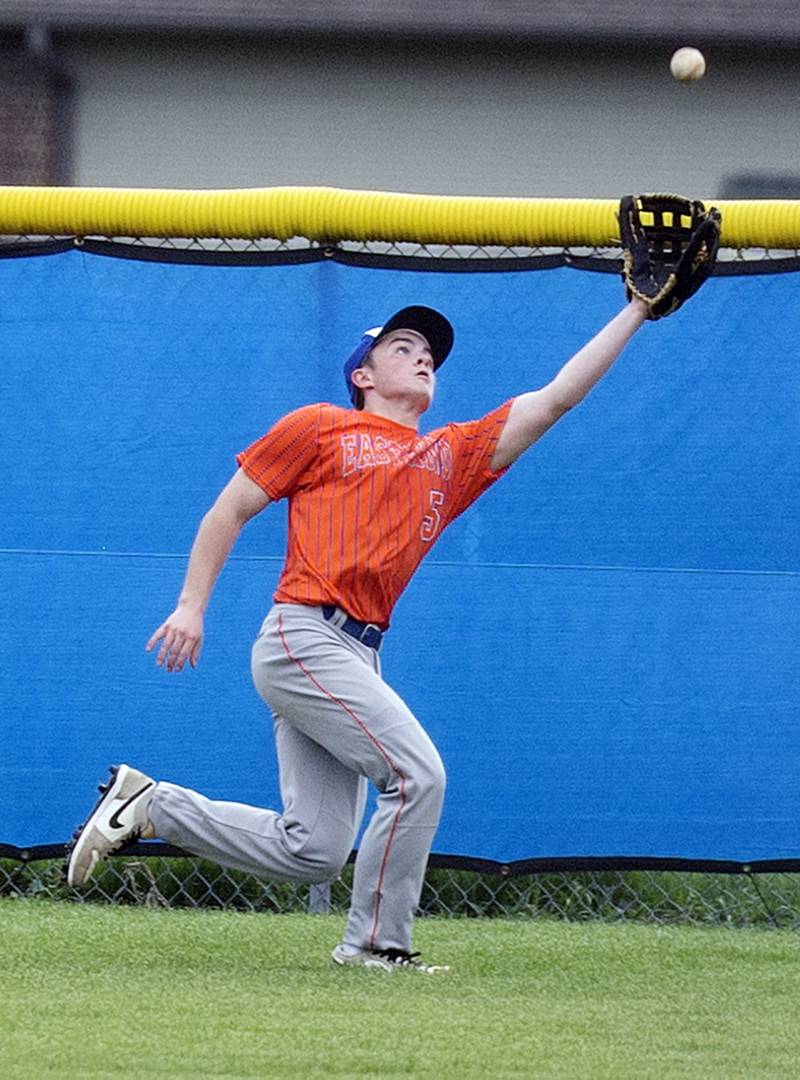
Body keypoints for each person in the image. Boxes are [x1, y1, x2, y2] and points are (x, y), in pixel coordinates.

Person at [65, 295, 649, 972]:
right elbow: (227, 511)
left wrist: (636, 310)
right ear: (363, 375)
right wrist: (192, 605)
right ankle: (376, 945)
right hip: (302, 637)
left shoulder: (449, 456)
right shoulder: (321, 427)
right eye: (403, 346)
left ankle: (153, 806)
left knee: (311, 849)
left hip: (357, 655)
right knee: (416, 775)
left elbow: (555, 400)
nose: (424, 355)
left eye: (429, 352)